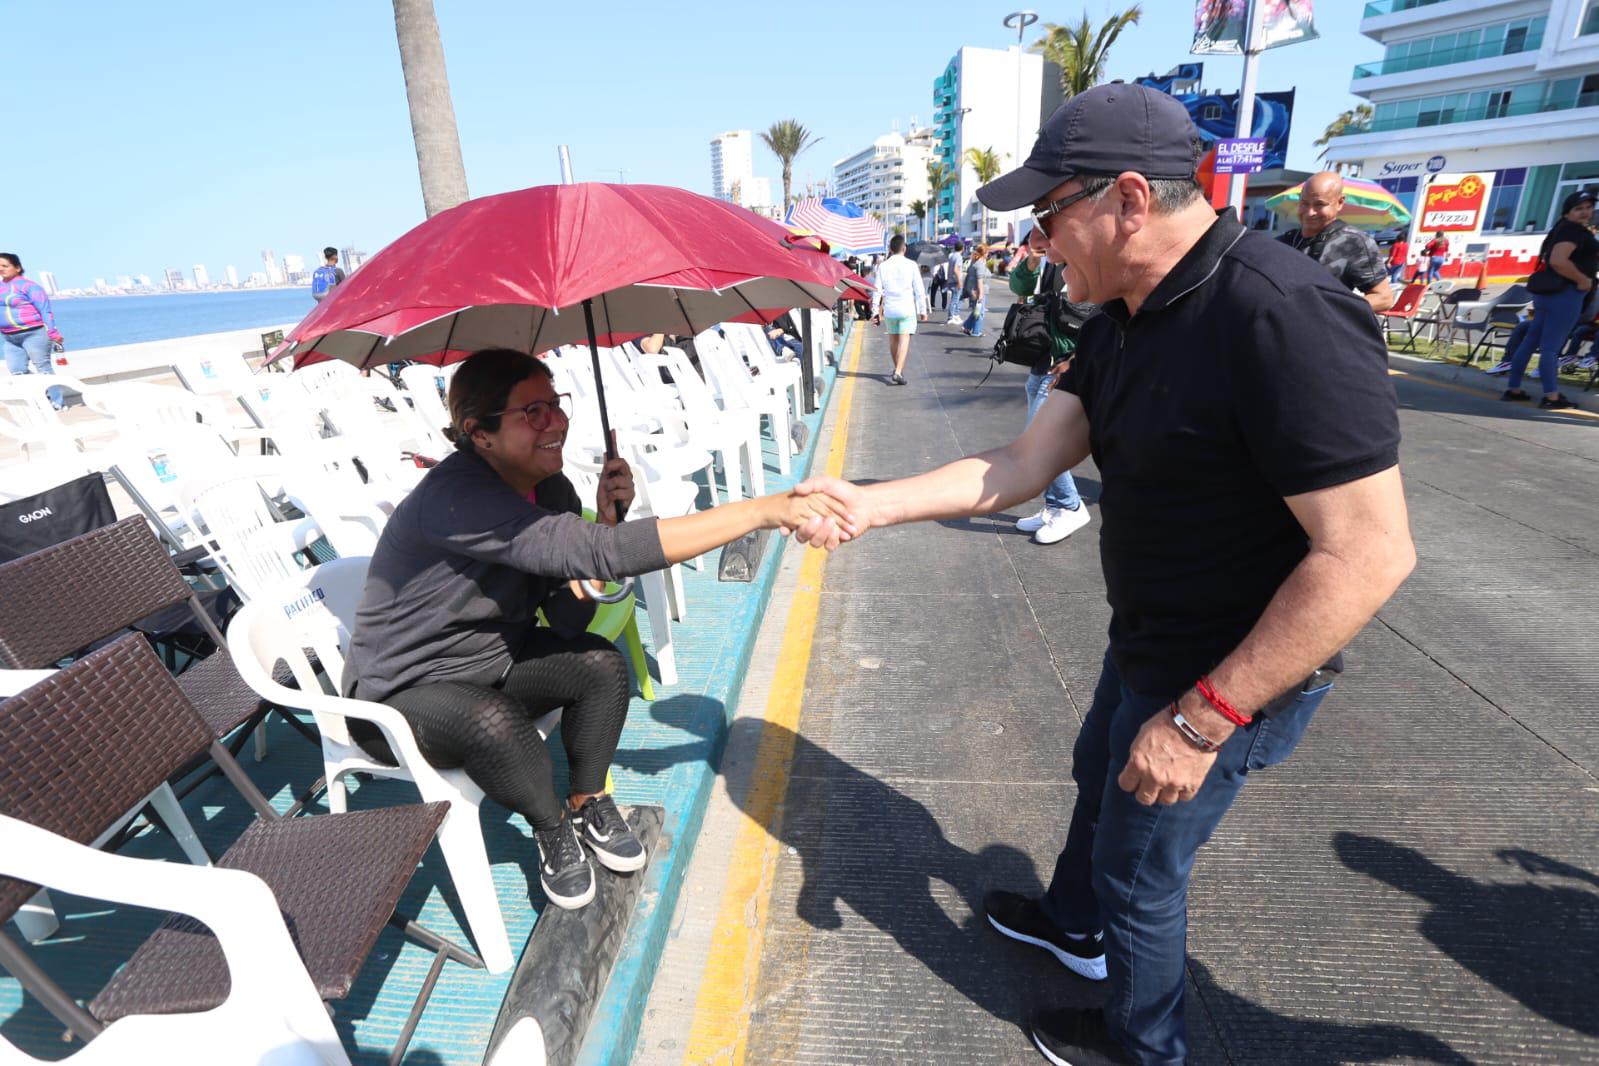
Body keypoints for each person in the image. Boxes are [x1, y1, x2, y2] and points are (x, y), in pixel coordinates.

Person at [790, 84, 1414, 1066]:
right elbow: (1021, 466)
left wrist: (1205, 717)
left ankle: (1146, 1045)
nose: (1038, 243)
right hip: (1150, 640)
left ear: (1128, 198)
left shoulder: (1283, 315)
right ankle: (1072, 931)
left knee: (1141, 869)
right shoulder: (1122, 313)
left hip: (1229, 674)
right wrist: (870, 501)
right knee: (1099, 773)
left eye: (1048, 216)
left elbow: (1370, 553)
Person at [345, 349, 851, 909]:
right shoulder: (457, 498)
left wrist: (605, 523)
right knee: (496, 721)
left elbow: (566, 618)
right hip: (401, 697)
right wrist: (762, 511)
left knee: (601, 665)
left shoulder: (550, 489)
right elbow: (607, 554)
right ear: (479, 433)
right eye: (533, 412)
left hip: (487, 662)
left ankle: (587, 801)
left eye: (556, 405)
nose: (557, 422)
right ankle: (550, 826)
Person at [1008, 221, 1094, 545]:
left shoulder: (1084, 260)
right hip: (1045, 360)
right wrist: (1032, 259)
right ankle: (1054, 505)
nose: (1040, 237)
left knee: (1041, 441)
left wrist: (1076, 360)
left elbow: (1102, 315)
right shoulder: (1052, 261)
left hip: (1065, 365)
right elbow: (1021, 286)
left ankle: (1070, 505)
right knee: (1037, 435)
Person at [1502, 191, 1597, 410]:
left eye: (1588, 207)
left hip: (1549, 294)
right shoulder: (1572, 231)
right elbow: (1558, 261)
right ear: (1567, 212)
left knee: (1531, 340)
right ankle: (1551, 396)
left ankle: (1514, 388)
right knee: (1551, 348)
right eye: (1579, 208)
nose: (1585, 212)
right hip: (1565, 294)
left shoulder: (1562, 229)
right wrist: (1582, 279)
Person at [1277, 172, 1395, 313]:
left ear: (1340, 203)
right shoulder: (1284, 241)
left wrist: (1332, 309)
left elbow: (1384, 298)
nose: (1310, 212)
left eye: (1319, 204)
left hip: (1322, 329)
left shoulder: (1355, 242)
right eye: (1304, 203)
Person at [0, 253, 65, 410]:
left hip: (34, 334)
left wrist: (53, 332)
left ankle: (57, 402)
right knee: (17, 371)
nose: (1, 269)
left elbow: (45, 311)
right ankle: (41, 395)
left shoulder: (30, 286)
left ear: (17, 267)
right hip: (9, 337)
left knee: (43, 369)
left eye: (5, 266)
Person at [870, 235, 929, 386]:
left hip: (890, 309)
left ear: (890, 249)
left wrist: (875, 311)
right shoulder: (911, 265)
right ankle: (897, 371)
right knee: (904, 340)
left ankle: (898, 370)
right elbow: (919, 290)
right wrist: (923, 310)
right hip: (907, 309)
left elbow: (876, 290)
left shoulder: (883, 266)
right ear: (904, 248)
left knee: (893, 340)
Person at [960, 245, 991, 337]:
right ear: (984, 253)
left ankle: (966, 327)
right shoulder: (980, 264)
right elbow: (979, 281)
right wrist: (980, 295)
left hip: (974, 291)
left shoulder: (976, 262)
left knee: (976, 311)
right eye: (987, 252)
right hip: (978, 292)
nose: (988, 254)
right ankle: (976, 332)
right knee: (980, 313)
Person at [945, 245, 967, 325]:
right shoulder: (958, 257)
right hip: (955, 281)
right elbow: (956, 269)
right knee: (955, 299)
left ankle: (956, 314)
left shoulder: (952, 256)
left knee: (961, 298)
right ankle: (951, 317)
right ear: (962, 248)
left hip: (951, 280)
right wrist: (959, 281)